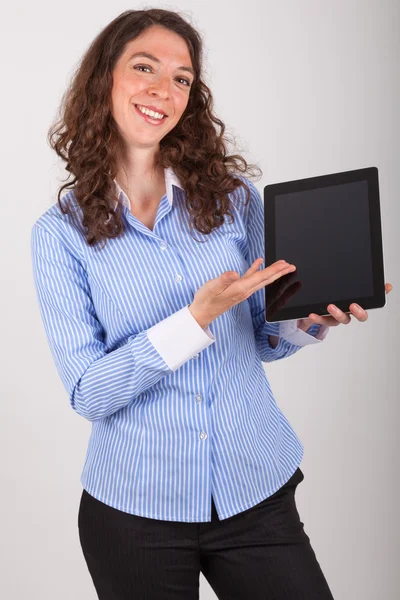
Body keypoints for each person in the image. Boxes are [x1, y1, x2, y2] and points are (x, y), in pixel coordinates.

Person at [30, 8, 393, 600]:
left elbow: (261, 336)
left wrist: (307, 319)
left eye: (181, 78)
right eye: (144, 67)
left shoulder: (233, 199)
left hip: (255, 490)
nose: (163, 90)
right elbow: (88, 392)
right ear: (105, 80)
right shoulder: (60, 235)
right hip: (134, 511)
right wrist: (193, 320)